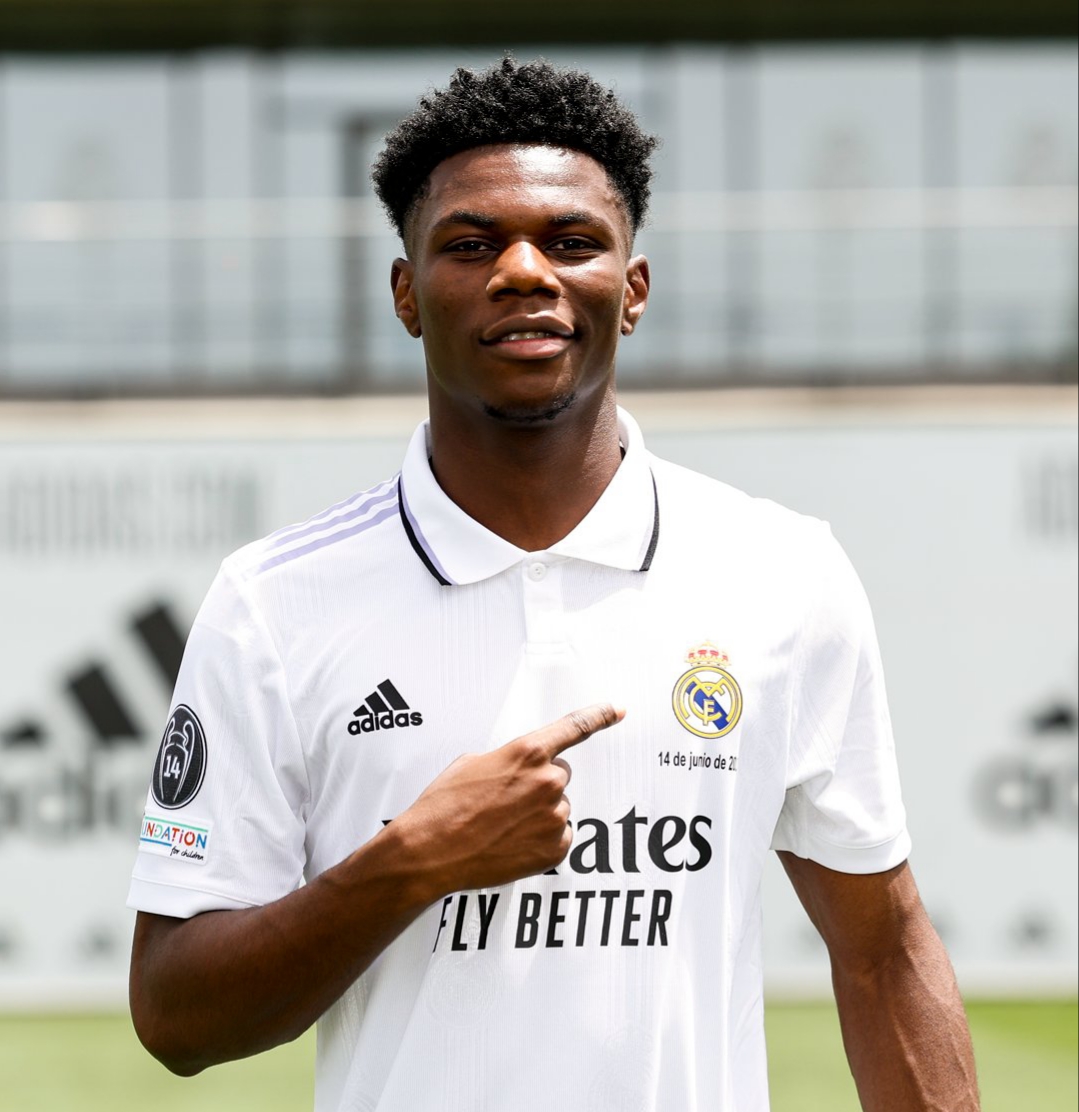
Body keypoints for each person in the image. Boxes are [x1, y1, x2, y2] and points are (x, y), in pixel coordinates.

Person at [128, 57, 980, 1112]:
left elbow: (883, 951)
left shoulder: (782, 572)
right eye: (470, 244)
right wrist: (411, 861)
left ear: (633, 290)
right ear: (405, 294)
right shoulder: (272, 602)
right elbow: (176, 1016)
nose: (524, 270)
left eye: (571, 242)